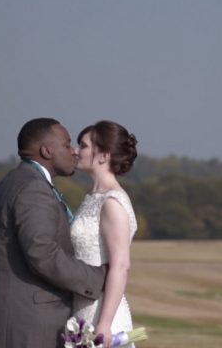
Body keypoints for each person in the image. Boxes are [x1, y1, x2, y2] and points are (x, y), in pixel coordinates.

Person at [0, 118, 107, 348]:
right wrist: (98, 277)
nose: (74, 151)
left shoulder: (14, 181)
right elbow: (42, 253)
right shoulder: (33, 188)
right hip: (24, 321)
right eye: (66, 144)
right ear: (46, 150)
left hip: (6, 312)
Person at [70, 120, 139, 346]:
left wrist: (104, 324)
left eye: (84, 145)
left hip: (101, 316)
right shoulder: (92, 198)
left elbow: (120, 265)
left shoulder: (112, 202)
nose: (76, 151)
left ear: (103, 156)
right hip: (81, 311)